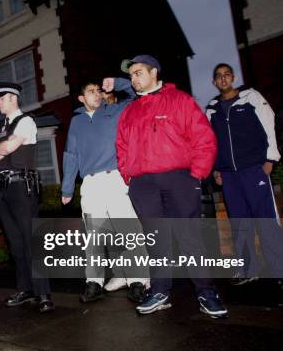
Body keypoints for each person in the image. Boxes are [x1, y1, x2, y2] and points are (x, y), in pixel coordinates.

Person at [116, 54, 228, 318]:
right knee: (156, 240)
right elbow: (121, 146)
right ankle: (160, 291)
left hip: (179, 178)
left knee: (190, 236)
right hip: (143, 183)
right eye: (131, 74)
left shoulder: (180, 101)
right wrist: (129, 176)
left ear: (154, 72)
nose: (134, 78)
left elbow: (204, 139)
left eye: (138, 72)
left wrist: (196, 174)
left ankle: (206, 291)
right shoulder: (129, 111)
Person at [61, 77, 150, 303]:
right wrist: (67, 187)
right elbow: (71, 155)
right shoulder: (76, 122)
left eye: (99, 90)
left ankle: (138, 281)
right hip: (90, 184)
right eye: (92, 91)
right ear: (82, 98)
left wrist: (117, 83)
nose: (97, 94)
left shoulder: (114, 112)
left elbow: (134, 94)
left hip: (113, 179)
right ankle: (94, 282)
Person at [206, 63, 282, 284]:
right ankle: (249, 268)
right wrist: (216, 168)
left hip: (254, 170)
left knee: (266, 220)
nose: (223, 79)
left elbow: (270, 125)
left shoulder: (251, 98)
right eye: (218, 76)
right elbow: (210, 142)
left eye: (226, 74)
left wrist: (270, 159)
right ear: (214, 82)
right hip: (229, 175)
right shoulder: (212, 108)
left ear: (233, 77)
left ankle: (278, 268)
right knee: (239, 223)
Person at [0, 82, 54, 313]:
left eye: (1, 98)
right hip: (2, 189)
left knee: (30, 240)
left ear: (13, 98)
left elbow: (5, 150)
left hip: (22, 186)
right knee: (15, 243)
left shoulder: (26, 121)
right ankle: (25, 289)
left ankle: (44, 293)